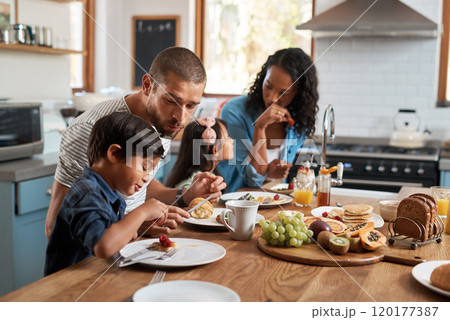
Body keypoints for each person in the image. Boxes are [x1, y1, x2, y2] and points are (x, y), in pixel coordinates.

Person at [45, 47, 226, 239]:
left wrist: (185, 195)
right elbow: (56, 225)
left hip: (132, 250)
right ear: (148, 85)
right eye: (171, 100)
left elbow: (137, 186)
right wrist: (134, 224)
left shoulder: (164, 125)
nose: (180, 118)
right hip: (90, 263)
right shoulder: (89, 129)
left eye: (191, 106)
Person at [44, 113, 187, 275]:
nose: (146, 177)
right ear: (115, 154)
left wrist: (136, 228)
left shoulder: (109, 193)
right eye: (144, 167)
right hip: (68, 288)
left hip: (94, 276)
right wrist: (143, 211)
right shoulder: (87, 193)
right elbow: (104, 246)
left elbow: (113, 233)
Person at [217, 48, 319, 192]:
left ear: (298, 93)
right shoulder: (234, 111)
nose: (272, 98)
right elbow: (251, 180)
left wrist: (271, 172)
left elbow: (278, 177)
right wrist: (259, 127)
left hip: (274, 202)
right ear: (263, 78)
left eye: (283, 93)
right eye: (268, 86)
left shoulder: (299, 121)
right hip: (233, 203)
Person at [165, 117, 234, 189]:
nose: (231, 140)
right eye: (227, 138)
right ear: (214, 149)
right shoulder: (193, 186)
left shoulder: (207, 175)